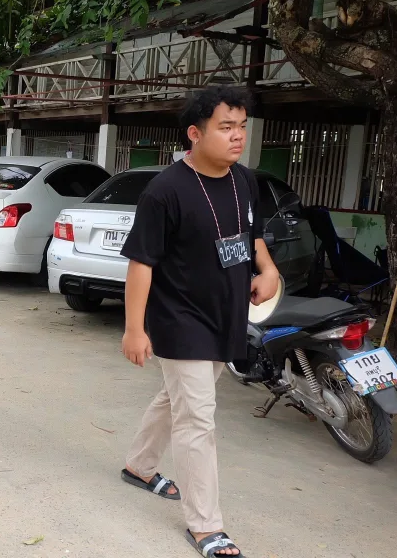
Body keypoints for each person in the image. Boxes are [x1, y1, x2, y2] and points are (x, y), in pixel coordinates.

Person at [119, 86, 279, 558]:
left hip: (225, 312)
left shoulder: (244, 180)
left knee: (178, 398)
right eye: (226, 127)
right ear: (195, 133)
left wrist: (268, 269)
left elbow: (251, 235)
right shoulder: (165, 190)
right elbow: (141, 263)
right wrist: (134, 328)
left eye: (242, 126)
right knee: (197, 419)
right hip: (180, 317)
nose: (238, 136)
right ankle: (206, 527)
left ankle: (139, 466)